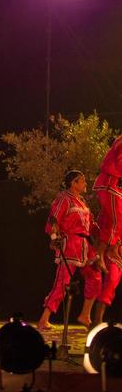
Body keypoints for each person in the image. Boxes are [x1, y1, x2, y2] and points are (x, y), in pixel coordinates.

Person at [37, 169, 101, 332]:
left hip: (85, 247)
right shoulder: (64, 200)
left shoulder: (81, 202)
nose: (85, 184)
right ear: (74, 183)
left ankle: (85, 315)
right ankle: (44, 319)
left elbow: (90, 225)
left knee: (95, 276)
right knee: (62, 283)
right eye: (82, 181)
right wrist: (55, 239)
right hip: (70, 246)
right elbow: (53, 221)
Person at [93, 136, 122, 268]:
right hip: (108, 184)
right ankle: (111, 249)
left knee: (109, 220)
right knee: (119, 217)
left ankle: (99, 253)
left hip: (111, 184)